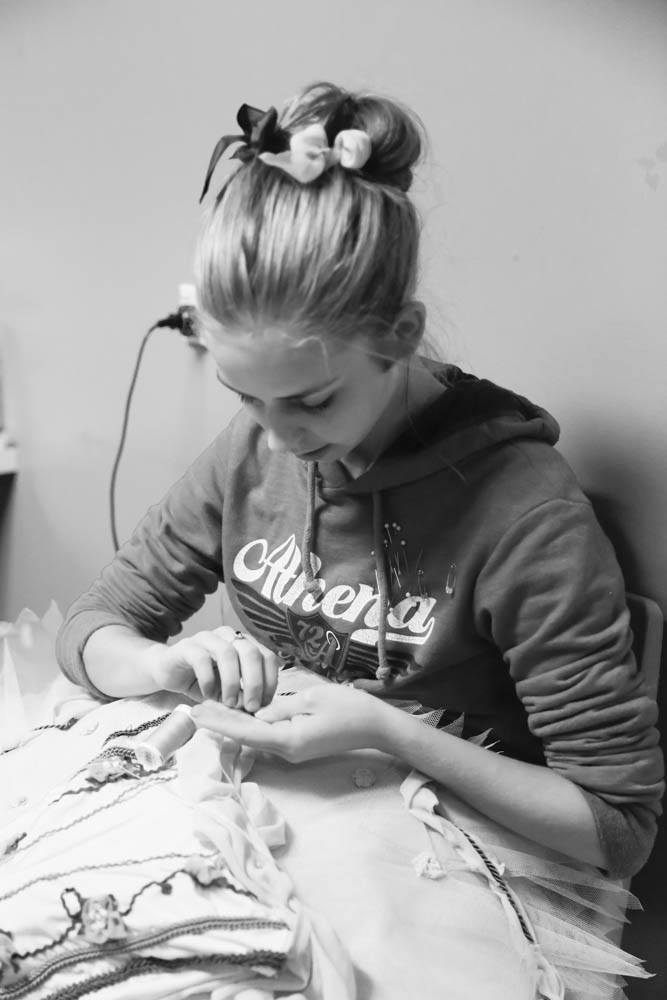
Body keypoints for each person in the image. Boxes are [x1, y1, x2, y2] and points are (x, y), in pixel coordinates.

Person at [57, 82, 663, 998]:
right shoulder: (255, 444)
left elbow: (615, 827)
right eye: (243, 395)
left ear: (400, 336)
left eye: (310, 401)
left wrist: (388, 731)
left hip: (429, 842)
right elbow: (93, 626)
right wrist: (161, 664)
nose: (275, 436)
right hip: (261, 808)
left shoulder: (523, 513)